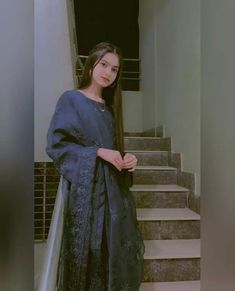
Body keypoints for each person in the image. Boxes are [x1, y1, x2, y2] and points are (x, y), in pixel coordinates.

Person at [46, 42, 145, 290]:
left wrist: (126, 160)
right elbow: (58, 146)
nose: (108, 73)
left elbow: (114, 153)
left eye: (114, 69)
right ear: (91, 64)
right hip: (88, 199)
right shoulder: (71, 100)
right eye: (104, 64)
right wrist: (98, 152)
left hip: (114, 200)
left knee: (114, 256)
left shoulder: (110, 110)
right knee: (91, 257)